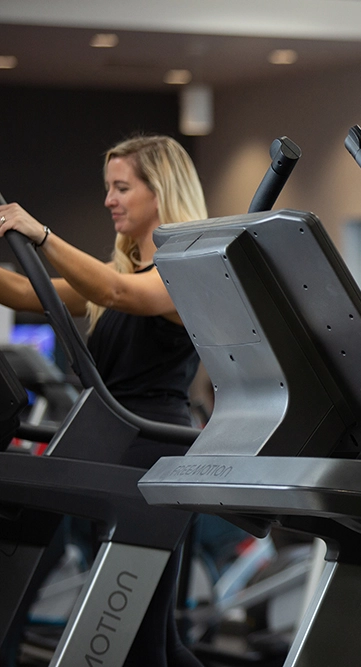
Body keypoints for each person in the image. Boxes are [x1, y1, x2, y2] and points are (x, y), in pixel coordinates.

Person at [0, 134, 207, 667]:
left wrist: (40, 233)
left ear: (160, 193)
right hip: (113, 450)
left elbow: (119, 294)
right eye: (108, 188)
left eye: (121, 187)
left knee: (139, 638)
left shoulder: (183, 275)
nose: (109, 200)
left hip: (151, 454)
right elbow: (28, 293)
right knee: (153, 639)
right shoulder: (120, 273)